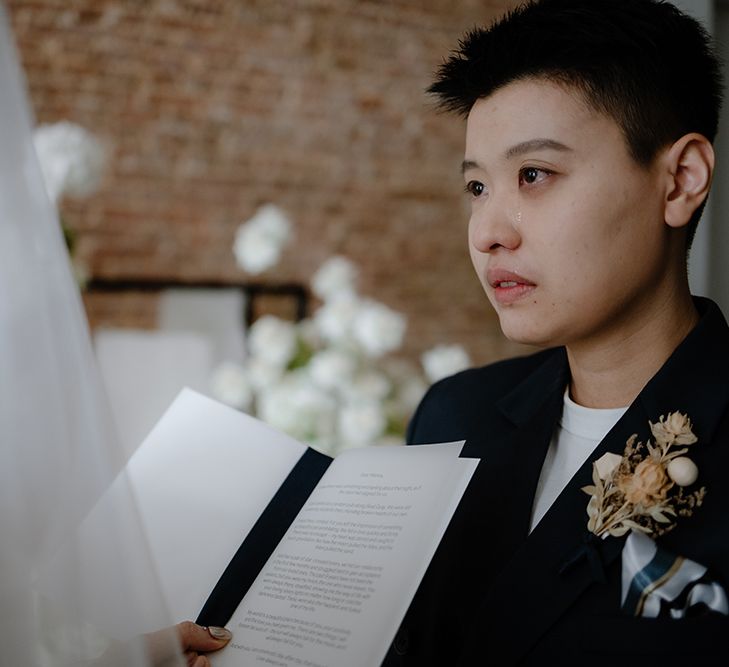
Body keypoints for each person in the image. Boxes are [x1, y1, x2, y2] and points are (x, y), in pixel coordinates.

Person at [380, 0, 729, 664]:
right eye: (477, 187)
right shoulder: (452, 418)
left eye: (533, 175)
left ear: (679, 179)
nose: (487, 232)